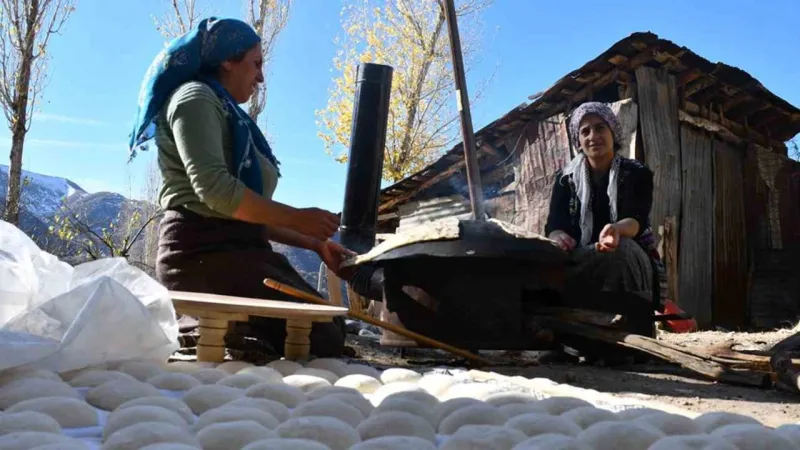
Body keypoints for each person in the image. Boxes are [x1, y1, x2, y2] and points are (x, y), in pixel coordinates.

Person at [127, 18, 354, 359]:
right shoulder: (194, 98)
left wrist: (314, 243)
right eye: (256, 63)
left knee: (329, 325)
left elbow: (243, 214)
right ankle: (203, 330)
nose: (261, 77)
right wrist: (297, 218)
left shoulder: (227, 111)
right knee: (318, 338)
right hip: (201, 254)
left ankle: (225, 331)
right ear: (227, 60)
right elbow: (216, 192)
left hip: (238, 249)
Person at [545, 102, 665, 336]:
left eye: (600, 127)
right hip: (583, 257)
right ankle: (572, 333)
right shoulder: (564, 180)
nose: (593, 136)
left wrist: (616, 230)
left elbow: (636, 220)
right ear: (578, 140)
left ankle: (634, 332)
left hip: (627, 255)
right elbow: (553, 225)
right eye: (585, 131)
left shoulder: (636, 173)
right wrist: (558, 236)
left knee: (621, 251)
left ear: (613, 132)